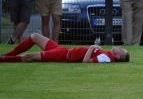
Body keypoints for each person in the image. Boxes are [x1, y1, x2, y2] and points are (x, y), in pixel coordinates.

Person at [0, 33, 129, 63]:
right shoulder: (107, 54)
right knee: (34, 36)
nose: (118, 47)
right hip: (63, 49)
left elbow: (86, 62)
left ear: (117, 56)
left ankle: (4, 59)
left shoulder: (108, 57)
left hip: (63, 55)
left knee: (29, 56)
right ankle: (7, 54)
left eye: (121, 50)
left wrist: (92, 47)